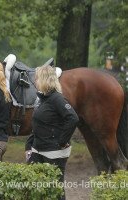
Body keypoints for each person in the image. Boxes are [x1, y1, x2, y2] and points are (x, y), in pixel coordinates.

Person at [25, 65, 79, 200]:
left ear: (44, 80)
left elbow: (73, 118)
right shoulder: (41, 98)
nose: (35, 82)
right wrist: (29, 145)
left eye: (36, 78)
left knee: (55, 189)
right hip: (38, 149)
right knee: (37, 188)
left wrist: (62, 141)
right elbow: (37, 124)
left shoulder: (57, 99)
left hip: (54, 152)